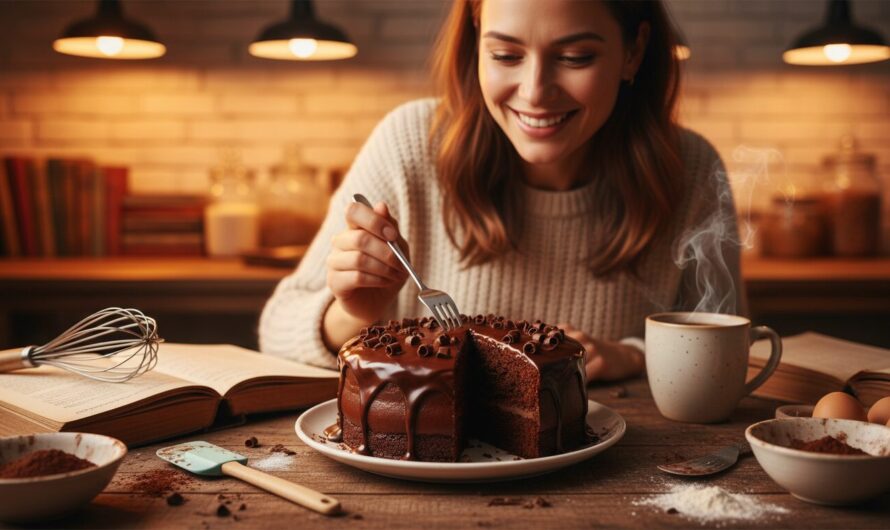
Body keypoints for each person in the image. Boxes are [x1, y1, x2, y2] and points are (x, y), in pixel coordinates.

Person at [259, 0, 743, 382]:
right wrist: (353, 314)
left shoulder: (692, 169)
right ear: (475, 45)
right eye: (506, 55)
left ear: (633, 51)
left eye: (576, 57)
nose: (534, 92)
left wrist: (632, 357)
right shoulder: (410, 142)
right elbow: (275, 330)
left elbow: (726, 354)